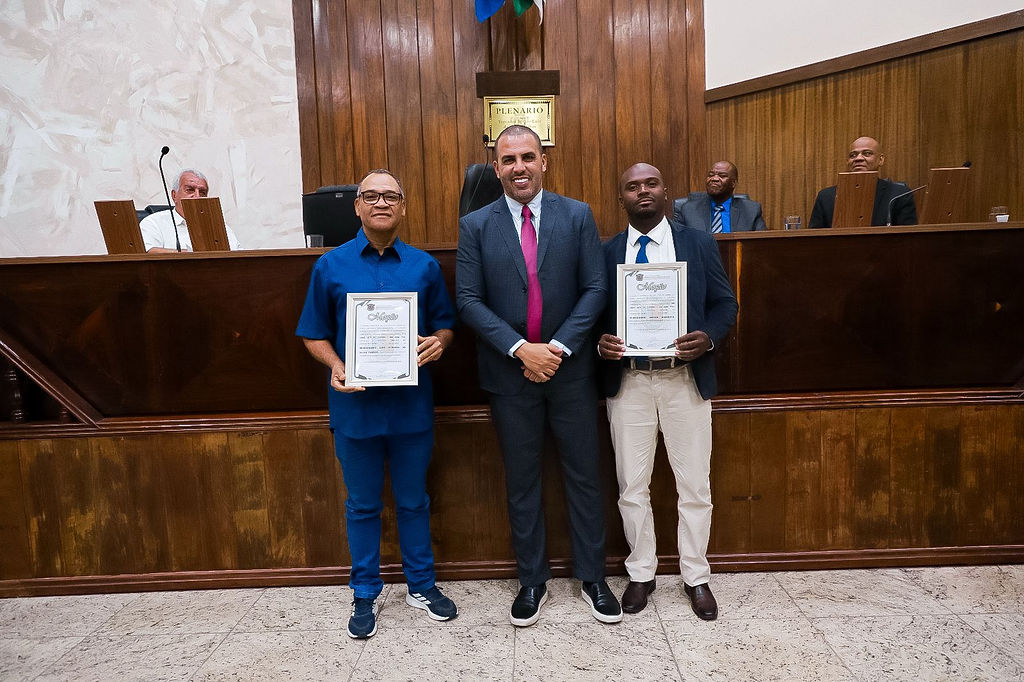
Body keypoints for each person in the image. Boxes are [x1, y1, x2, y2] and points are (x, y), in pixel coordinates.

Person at [455, 125, 621, 627]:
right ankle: (532, 580)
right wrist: (521, 349)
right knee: (522, 481)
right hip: (509, 375)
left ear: (544, 161)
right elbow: (467, 299)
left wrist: (557, 348)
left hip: (570, 373)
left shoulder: (577, 215)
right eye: (509, 160)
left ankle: (593, 576)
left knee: (584, 476)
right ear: (496, 166)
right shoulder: (476, 225)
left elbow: (595, 288)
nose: (519, 167)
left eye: (528, 156)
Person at [295, 169, 458, 639]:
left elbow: (445, 325)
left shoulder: (424, 267)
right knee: (363, 505)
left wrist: (438, 343)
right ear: (357, 206)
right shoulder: (330, 265)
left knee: (413, 502)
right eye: (371, 196)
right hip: (356, 408)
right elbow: (312, 332)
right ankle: (364, 589)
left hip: (411, 406)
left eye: (390, 196)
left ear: (403, 206)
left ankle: (421, 585)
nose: (381, 203)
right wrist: (335, 365)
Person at [598, 163, 738, 620]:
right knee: (631, 486)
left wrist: (709, 337)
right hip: (630, 382)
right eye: (631, 185)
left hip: (684, 379)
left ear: (666, 191)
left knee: (695, 484)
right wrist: (601, 341)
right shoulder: (607, 251)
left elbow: (725, 304)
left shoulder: (696, 243)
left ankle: (696, 576)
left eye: (651, 183)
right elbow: (593, 313)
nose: (642, 191)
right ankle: (641, 573)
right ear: (622, 197)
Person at [809, 137, 918, 228]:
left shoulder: (899, 194)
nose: (858, 158)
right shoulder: (826, 196)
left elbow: (908, 238)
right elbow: (814, 238)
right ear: (848, 162)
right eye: (853, 155)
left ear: (881, 160)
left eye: (867, 153)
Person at [139, 169, 243, 252]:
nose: (197, 196)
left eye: (202, 192)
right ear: (174, 195)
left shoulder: (219, 226)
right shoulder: (154, 222)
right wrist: (187, 255)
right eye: (190, 190)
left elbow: (237, 256)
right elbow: (148, 252)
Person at [673, 161, 767, 233]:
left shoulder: (751, 210)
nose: (714, 179)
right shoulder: (688, 210)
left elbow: (761, 244)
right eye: (711, 175)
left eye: (722, 176)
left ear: (733, 183)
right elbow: (677, 243)